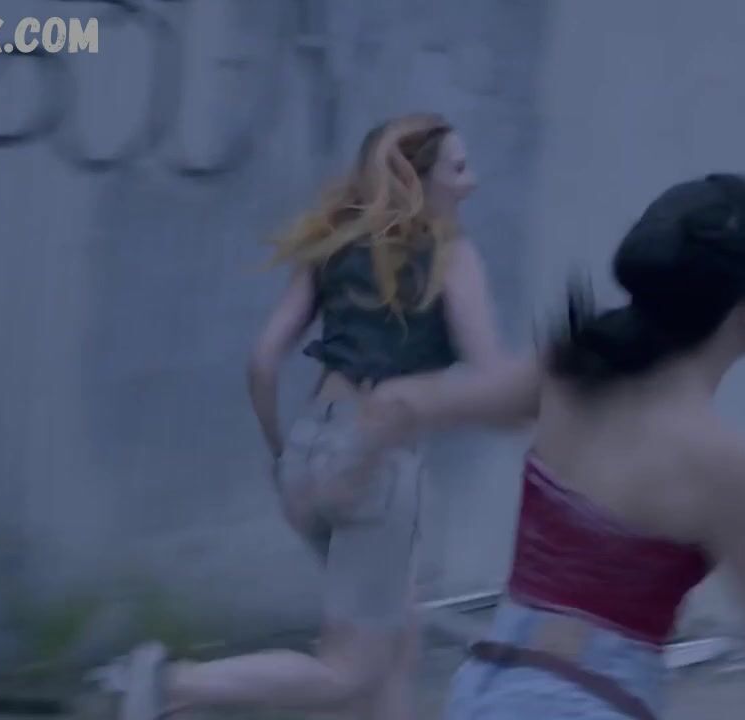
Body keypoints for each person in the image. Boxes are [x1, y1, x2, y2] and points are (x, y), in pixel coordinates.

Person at [367, 173, 745, 718]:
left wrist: (354, 452)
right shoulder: (723, 465)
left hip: (485, 690)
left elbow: (414, 404)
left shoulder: (570, 366)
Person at [112, 112, 506, 720]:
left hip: (308, 448)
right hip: (376, 464)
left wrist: (281, 459)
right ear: (418, 179)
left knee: (395, 633)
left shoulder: (334, 242)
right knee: (349, 671)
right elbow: (491, 373)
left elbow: (262, 361)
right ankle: (173, 684)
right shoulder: (452, 254)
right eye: (458, 169)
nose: (472, 182)